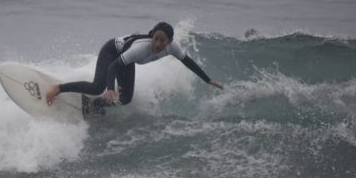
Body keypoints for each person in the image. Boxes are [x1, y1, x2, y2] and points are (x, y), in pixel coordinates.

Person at [46, 22, 223, 111]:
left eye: (163, 41)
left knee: (124, 99)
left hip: (126, 61)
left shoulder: (172, 48)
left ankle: (93, 106)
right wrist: (109, 88)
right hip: (112, 52)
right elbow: (113, 66)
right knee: (97, 86)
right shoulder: (140, 49)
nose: (159, 44)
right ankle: (59, 88)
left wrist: (208, 80)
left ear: (169, 42)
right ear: (152, 36)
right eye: (156, 39)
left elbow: (187, 62)